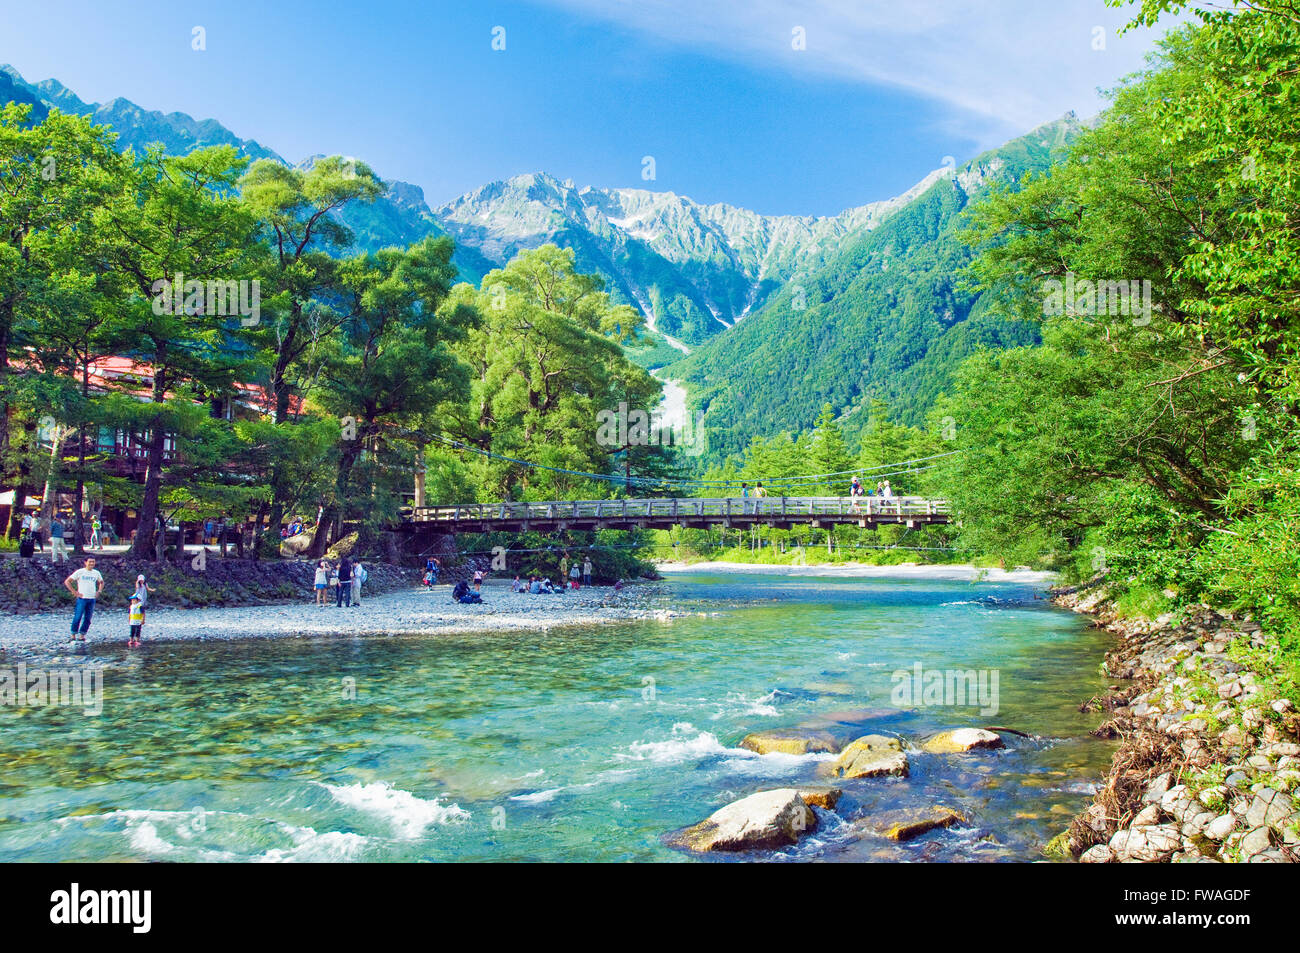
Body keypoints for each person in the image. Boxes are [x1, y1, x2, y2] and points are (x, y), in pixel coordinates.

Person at [64, 557, 104, 641]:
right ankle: (73, 634)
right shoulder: (80, 572)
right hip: (82, 598)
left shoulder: (96, 573)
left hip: (92, 598)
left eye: (93, 562)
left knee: (88, 618)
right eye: (90, 562)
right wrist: (74, 592)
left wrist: (99, 591)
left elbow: (101, 582)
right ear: (85, 562)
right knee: (78, 617)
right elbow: (67, 581)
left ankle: (82, 634)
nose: (91, 563)